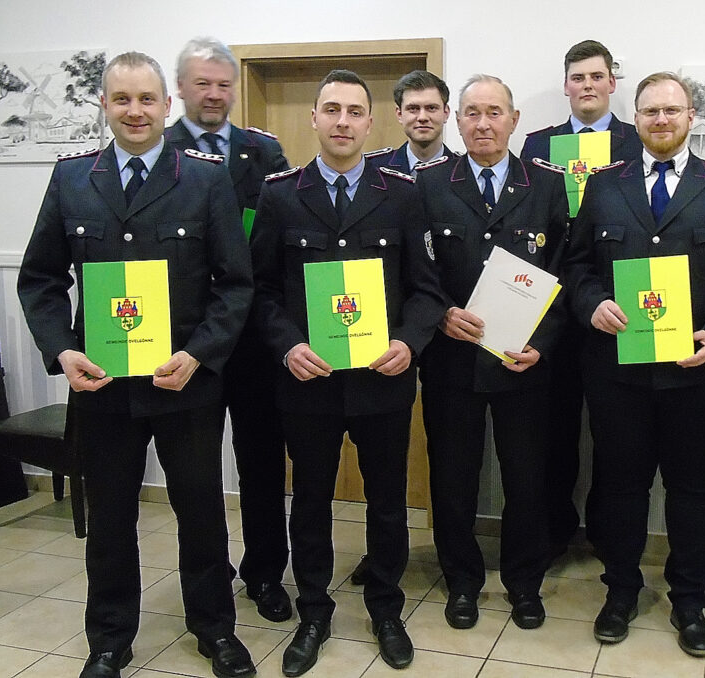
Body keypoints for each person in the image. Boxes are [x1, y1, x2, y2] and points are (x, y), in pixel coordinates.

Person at [17, 51, 255, 678]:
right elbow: (40, 279)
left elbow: (235, 284)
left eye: (147, 99)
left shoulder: (205, 179)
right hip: (101, 386)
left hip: (184, 383)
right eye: (121, 99)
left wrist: (199, 354)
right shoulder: (72, 179)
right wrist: (61, 350)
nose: (135, 111)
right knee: (111, 516)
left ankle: (215, 629)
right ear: (104, 104)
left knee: (201, 512)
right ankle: (110, 639)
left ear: (167, 105)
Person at [563, 71, 705, 657]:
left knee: (693, 490)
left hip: (700, 373)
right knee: (620, 487)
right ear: (635, 118)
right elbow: (576, 266)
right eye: (650, 111)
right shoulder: (603, 186)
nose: (661, 120)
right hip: (619, 373)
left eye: (671, 110)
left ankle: (689, 599)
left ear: (690, 117)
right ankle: (621, 591)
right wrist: (592, 303)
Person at [249, 68, 445, 675]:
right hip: (308, 382)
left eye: (354, 111)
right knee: (310, 502)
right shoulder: (280, 194)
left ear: (370, 122)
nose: (342, 121)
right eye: (331, 109)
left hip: (382, 380)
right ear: (314, 118)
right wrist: (287, 346)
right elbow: (260, 291)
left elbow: (426, 289)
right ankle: (313, 611)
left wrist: (410, 342)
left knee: (387, 503)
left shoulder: (403, 194)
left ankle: (386, 608)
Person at [415, 74, 567, 632]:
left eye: (494, 112)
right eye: (473, 113)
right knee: (453, 479)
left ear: (514, 119)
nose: (483, 124)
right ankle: (461, 581)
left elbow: (566, 272)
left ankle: (524, 583)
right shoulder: (429, 184)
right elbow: (415, 271)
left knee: (527, 479)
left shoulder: (546, 185)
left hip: (521, 363)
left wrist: (542, 344)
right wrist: (440, 313)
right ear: (457, 120)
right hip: (452, 361)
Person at [164, 35, 293, 624]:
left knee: (262, 461)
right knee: (195, 473)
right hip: (187, 341)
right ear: (180, 88)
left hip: (254, 341)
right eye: (203, 84)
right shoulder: (158, 150)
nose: (215, 94)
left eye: (224, 84)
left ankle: (265, 573)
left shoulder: (263, 152)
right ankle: (210, 581)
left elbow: (283, 239)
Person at [519, 40, 643, 563]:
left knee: (617, 431)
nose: (587, 85)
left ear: (612, 82)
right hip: (551, 305)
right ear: (566, 85)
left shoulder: (636, 140)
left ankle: (609, 534)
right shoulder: (538, 144)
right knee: (555, 427)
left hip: (615, 303)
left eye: (596, 76)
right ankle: (555, 530)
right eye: (577, 77)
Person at [348, 68, 455, 588]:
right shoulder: (372, 172)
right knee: (384, 458)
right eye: (412, 108)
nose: (422, 116)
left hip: (452, 332)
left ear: (445, 113)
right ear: (396, 115)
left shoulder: (463, 173)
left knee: (443, 451)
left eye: (431, 107)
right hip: (383, 340)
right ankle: (381, 557)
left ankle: (446, 555)